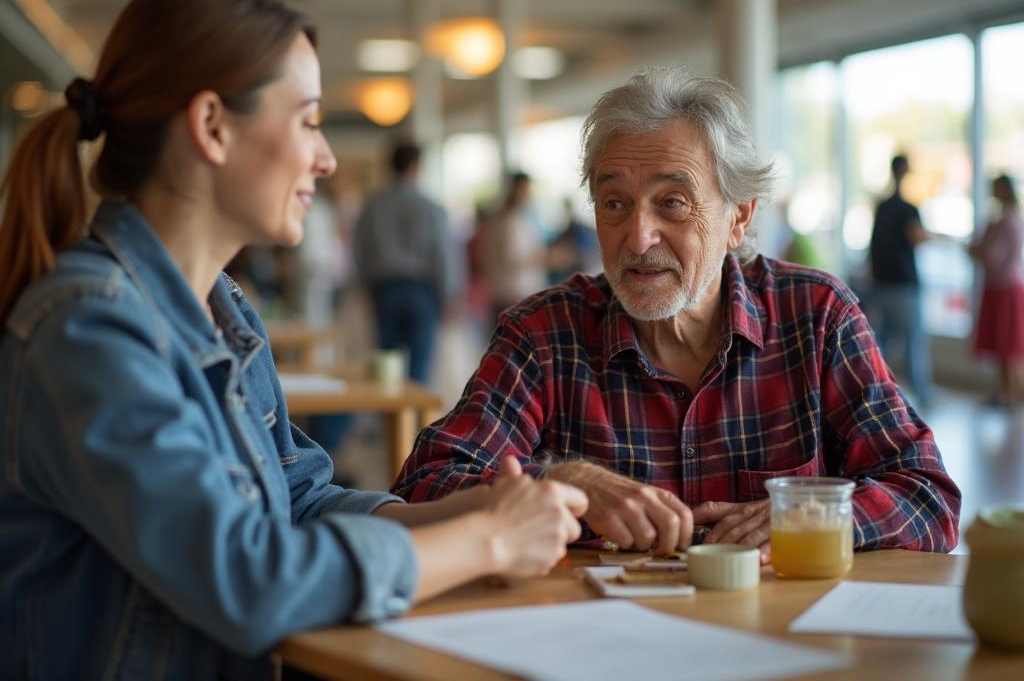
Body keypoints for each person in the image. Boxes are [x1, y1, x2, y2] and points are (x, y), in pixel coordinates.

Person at [0, 0, 587, 680]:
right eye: (307, 120)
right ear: (212, 126)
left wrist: (475, 510)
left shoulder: (222, 308)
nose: (327, 156)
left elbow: (299, 498)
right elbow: (249, 578)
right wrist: (488, 542)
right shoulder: (86, 331)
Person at [392, 68, 960, 560]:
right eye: (614, 204)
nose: (637, 239)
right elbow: (425, 484)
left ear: (739, 216)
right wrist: (559, 480)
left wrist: (816, 518)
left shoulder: (816, 317)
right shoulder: (544, 333)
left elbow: (928, 495)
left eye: (673, 203)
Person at [353, 142, 461, 384]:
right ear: (416, 166)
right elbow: (443, 255)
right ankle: (415, 421)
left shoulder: (373, 205)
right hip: (421, 291)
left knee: (386, 368)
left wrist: (365, 286)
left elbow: (359, 250)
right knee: (420, 368)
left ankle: (388, 420)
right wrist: (450, 294)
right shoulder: (430, 206)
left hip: (384, 289)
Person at [868, 154, 933, 408]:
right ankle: (923, 394)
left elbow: (872, 246)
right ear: (904, 172)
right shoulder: (908, 209)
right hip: (904, 285)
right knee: (913, 341)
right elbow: (917, 238)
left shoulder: (882, 207)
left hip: (882, 283)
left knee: (882, 341)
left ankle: (874, 389)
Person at [969, 174, 1024, 404]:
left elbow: (991, 256)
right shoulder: (1005, 220)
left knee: (1008, 345)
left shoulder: (1006, 222)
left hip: (1005, 289)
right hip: (1001, 287)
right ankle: (1006, 392)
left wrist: (976, 249)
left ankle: (1011, 393)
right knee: (1004, 346)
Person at [483, 171, 548, 323]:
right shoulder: (509, 221)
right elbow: (513, 259)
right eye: (525, 189)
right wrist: (549, 258)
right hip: (513, 295)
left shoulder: (504, 219)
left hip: (508, 293)